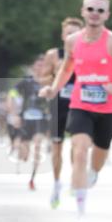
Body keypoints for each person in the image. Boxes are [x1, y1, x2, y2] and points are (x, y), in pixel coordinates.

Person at [40, 0, 112, 222]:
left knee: (96, 161)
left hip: (108, 109)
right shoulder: (73, 41)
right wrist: (53, 89)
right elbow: (67, 68)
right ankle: (81, 216)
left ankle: (93, 174)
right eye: (91, 9)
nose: (95, 14)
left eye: (100, 10)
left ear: (107, 15)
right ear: (83, 11)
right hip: (80, 105)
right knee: (78, 151)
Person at [40, 16, 84, 208]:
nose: (72, 36)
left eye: (76, 33)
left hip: (79, 104)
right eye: (69, 33)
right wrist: (56, 74)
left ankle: (75, 179)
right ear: (62, 35)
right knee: (57, 147)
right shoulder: (53, 55)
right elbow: (42, 79)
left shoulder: (86, 52)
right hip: (59, 105)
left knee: (78, 145)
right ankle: (57, 183)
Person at [13, 57, 51, 189]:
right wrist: (14, 113)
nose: (40, 68)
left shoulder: (49, 82)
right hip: (26, 119)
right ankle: (22, 153)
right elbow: (12, 93)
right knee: (24, 154)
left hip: (41, 120)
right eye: (38, 66)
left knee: (38, 145)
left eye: (43, 66)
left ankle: (32, 178)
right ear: (34, 67)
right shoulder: (26, 81)